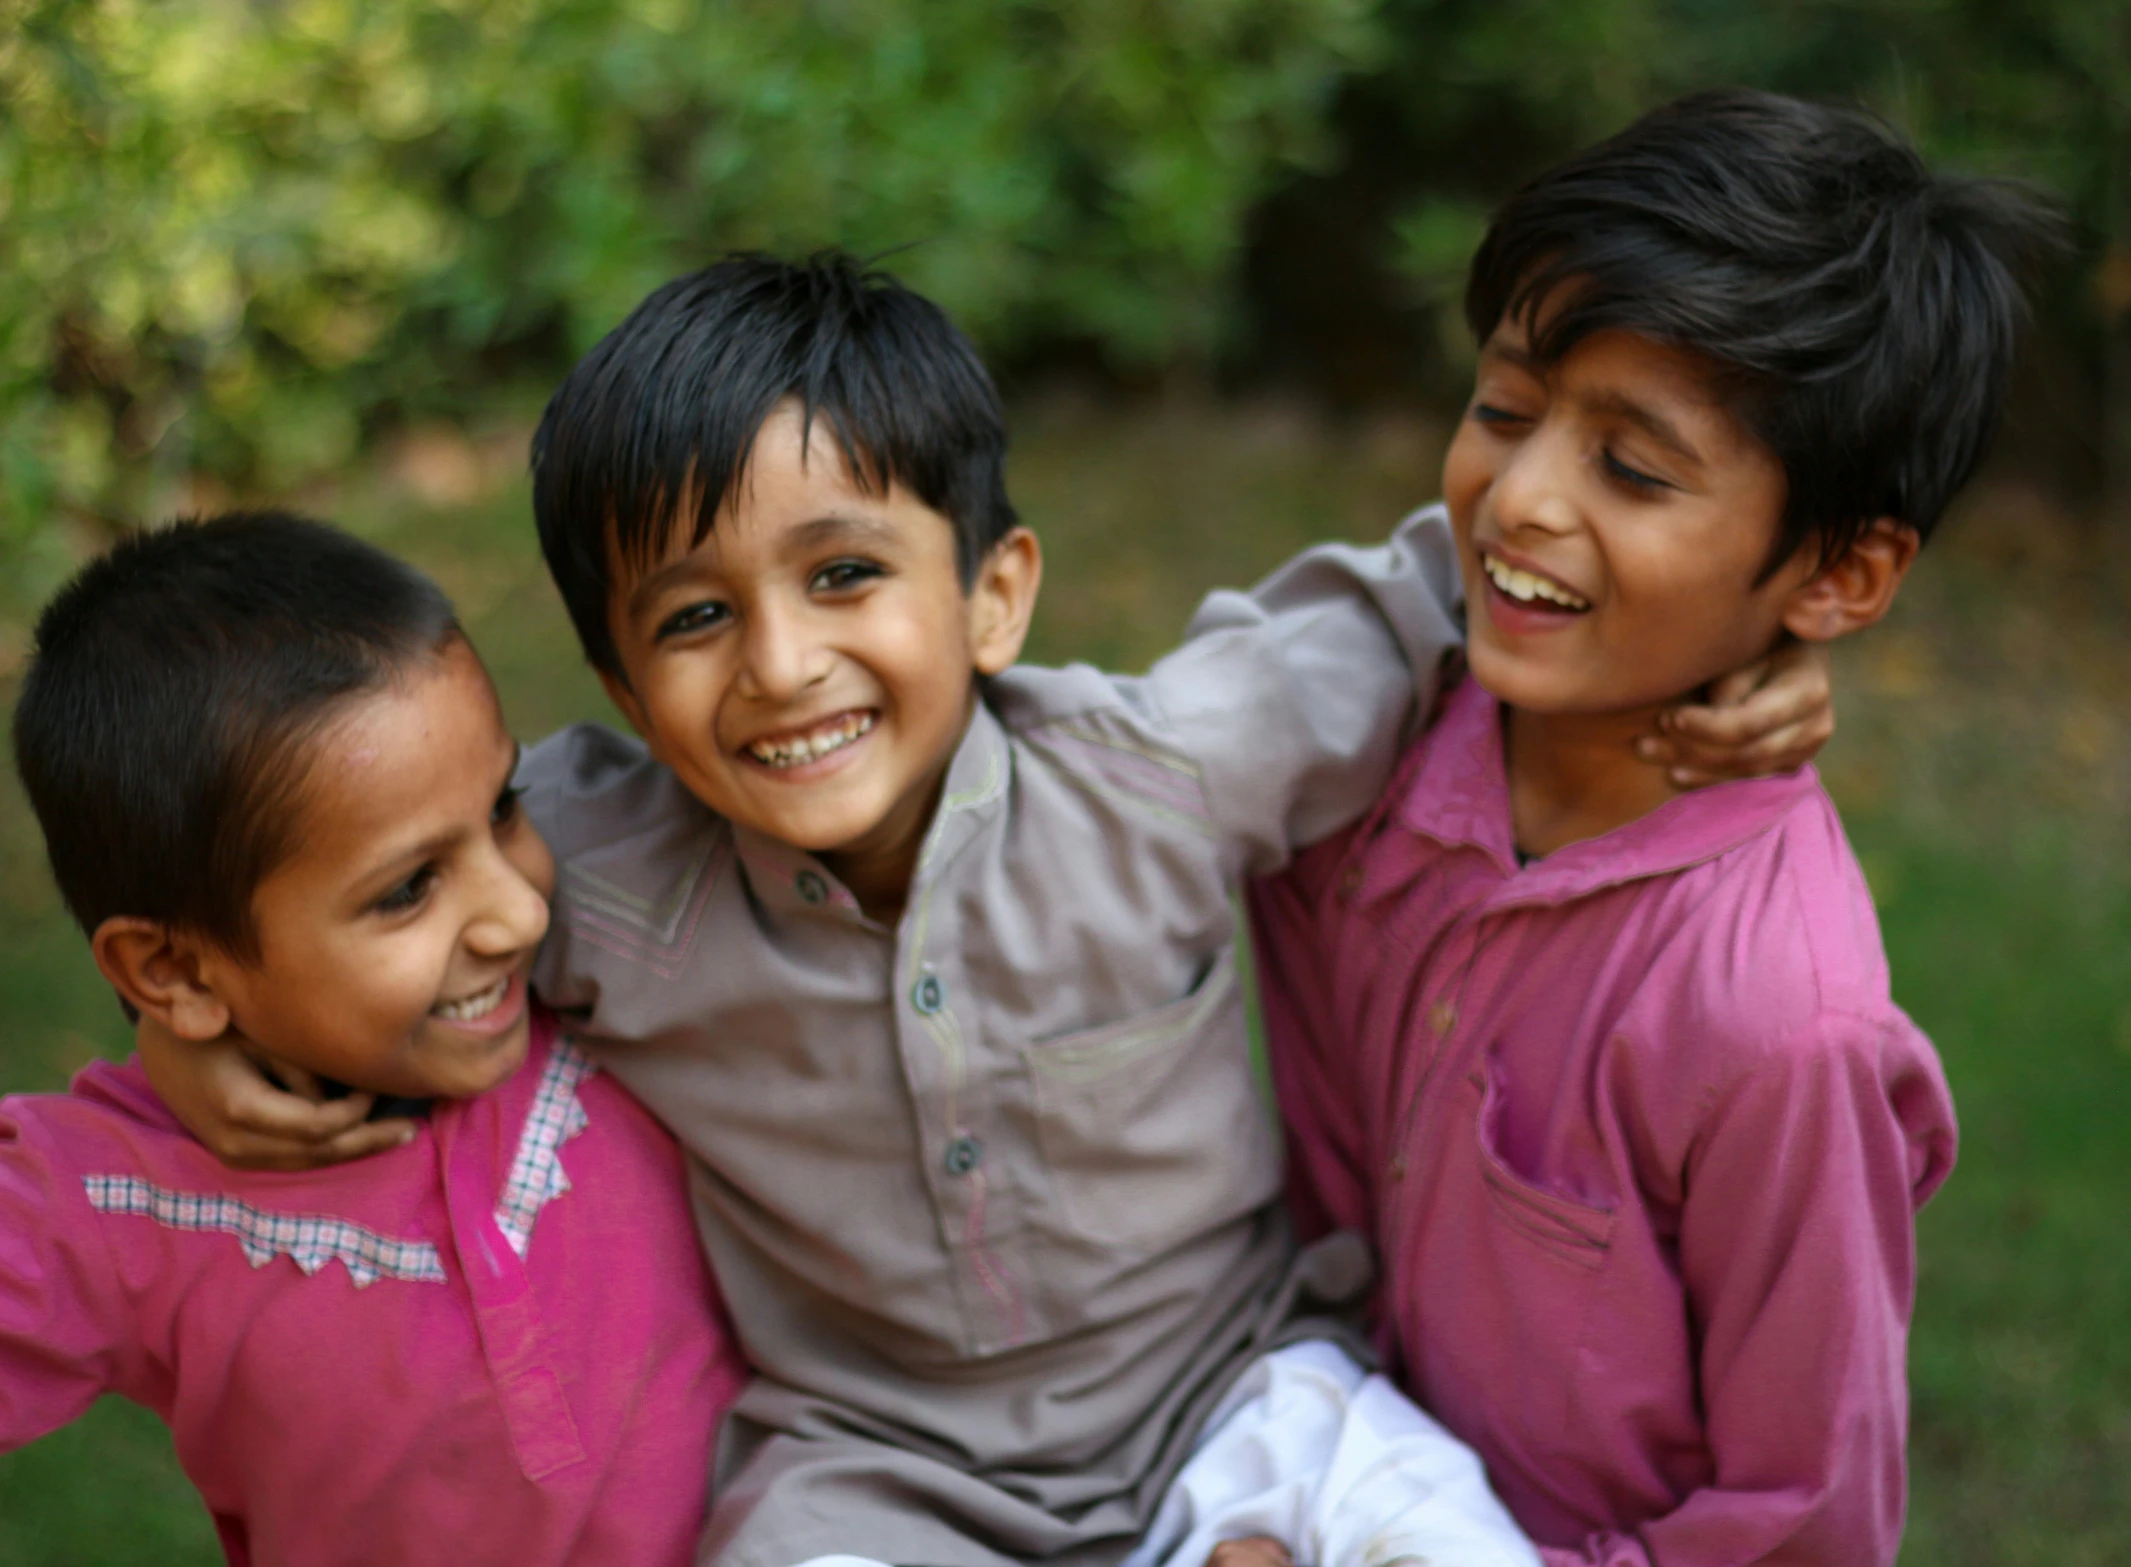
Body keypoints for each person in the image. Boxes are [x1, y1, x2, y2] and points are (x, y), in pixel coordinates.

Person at [138, 255, 1831, 1565]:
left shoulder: (1168, 765)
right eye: (695, 616)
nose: (784, 664)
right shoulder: (589, 865)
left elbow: (1447, 581)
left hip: (1241, 1392)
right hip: (872, 1466)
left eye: (846, 573)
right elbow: (370, 911)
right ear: (618, 684)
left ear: (995, 592)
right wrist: (208, 1042)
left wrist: (1755, 628)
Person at [1247, 89, 2059, 1566]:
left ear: (1841, 573)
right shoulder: (1357, 750)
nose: (1518, 499)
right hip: (1299, 1442)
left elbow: (1803, 1525)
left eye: (1631, 467)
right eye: (1503, 409)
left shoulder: (1777, 1029)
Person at [0, 513, 746, 1566]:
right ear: (172, 970)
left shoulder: (622, 972)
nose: (517, 915)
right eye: (407, 889)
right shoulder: (120, 1202)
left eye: (502, 808)